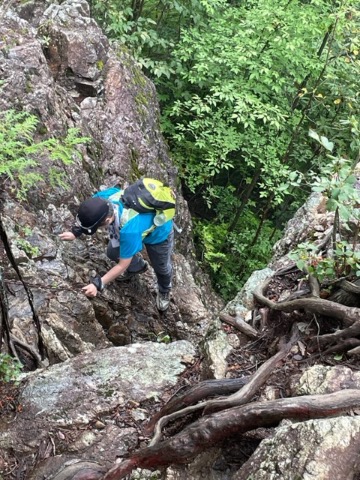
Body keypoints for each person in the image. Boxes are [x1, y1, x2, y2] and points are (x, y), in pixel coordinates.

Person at [59, 185, 174, 311]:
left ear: (108, 220)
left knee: (161, 268)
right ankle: (138, 267)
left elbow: (122, 265)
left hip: (158, 234)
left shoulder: (128, 230)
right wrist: (76, 232)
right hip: (136, 227)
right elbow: (89, 217)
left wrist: (98, 284)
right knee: (112, 252)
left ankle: (164, 290)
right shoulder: (102, 200)